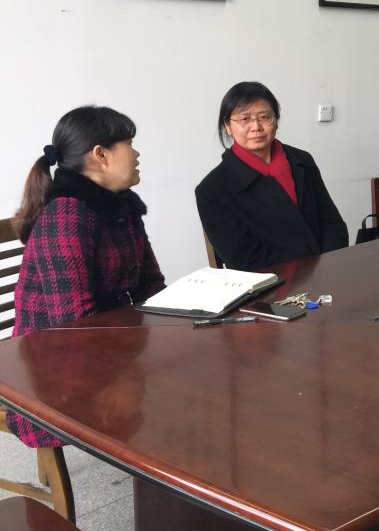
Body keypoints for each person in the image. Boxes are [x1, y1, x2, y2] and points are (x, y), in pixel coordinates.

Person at [9, 105, 165, 448]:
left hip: (111, 348)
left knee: (189, 376)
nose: (137, 154)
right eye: (129, 144)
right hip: (56, 375)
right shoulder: (66, 216)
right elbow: (74, 326)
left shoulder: (121, 206)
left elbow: (152, 284)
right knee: (172, 404)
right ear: (100, 155)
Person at [195, 82, 348, 269]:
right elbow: (244, 259)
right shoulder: (212, 190)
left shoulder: (302, 160)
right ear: (228, 126)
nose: (256, 127)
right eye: (245, 119)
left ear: (276, 121)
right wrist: (307, 272)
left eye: (265, 117)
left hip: (328, 270)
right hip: (273, 283)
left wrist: (327, 265)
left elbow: (333, 223)